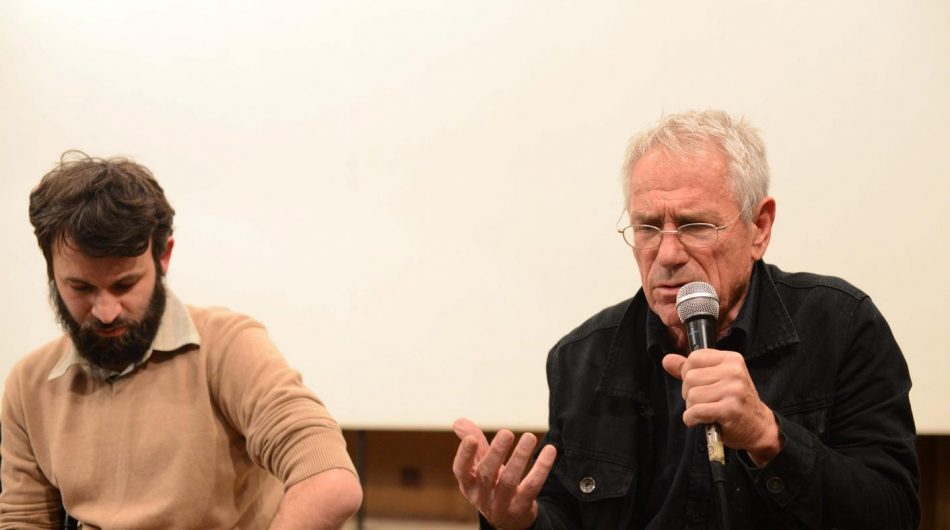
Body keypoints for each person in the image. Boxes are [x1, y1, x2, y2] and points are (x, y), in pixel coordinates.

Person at [452, 110, 919, 529]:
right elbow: (567, 517)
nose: (668, 254)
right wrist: (519, 523)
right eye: (647, 227)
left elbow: (894, 513)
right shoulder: (581, 358)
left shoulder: (841, 325)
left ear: (759, 228)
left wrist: (767, 436)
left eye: (696, 226)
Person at [0, 152, 362, 529]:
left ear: (163, 257)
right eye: (81, 288)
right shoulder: (29, 384)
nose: (106, 311)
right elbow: (24, 519)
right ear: (51, 271)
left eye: (125, 284)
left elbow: (330, 483)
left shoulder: (228, 347)